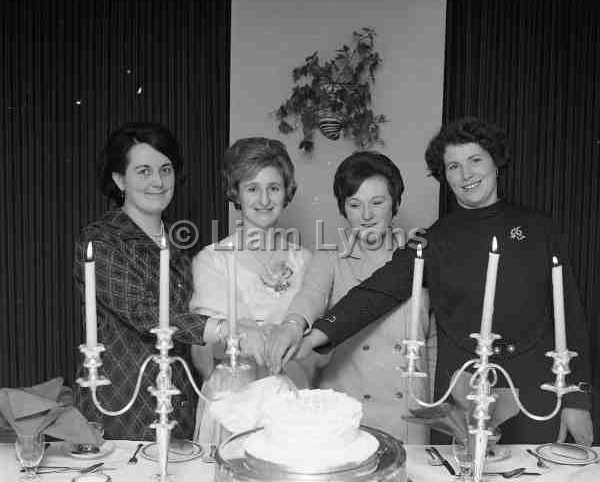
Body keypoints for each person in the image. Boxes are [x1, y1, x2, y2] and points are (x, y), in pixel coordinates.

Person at [268, 117, 593, 445]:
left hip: (535, 391)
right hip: (459, 393)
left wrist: (577, 398)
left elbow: (571, 318)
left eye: (475, 160)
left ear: (496, 161)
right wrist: (312, 335)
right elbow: (376, 292)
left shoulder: (539, 228)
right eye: (453, 166)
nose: (466, 175)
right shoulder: (433, 239)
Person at [267, 152, 432, 443]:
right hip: (345, 414)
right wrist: (292, 325)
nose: (366, 215)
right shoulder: (330, 259)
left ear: (395, 203)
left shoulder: (420, 258)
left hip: (408, 413)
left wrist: (432, 404)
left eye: (377, 203)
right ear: (343, 209)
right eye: (354, 205)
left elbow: (434, 343)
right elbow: (310, 296)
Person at [74, 122, 208, 441]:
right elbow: (143, 312)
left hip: (178, 401)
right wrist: (219, 329)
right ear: (120, 179)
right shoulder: (101, 240)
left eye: (166, 169)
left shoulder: (182, 242)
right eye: (144, 171)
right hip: (119, 402)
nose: (158, 182)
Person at [189, 137, 312, 443]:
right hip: (232, 399)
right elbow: (202, 350)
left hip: (290, 397)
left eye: (273, 188)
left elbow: (318, 348)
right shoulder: (212, 259)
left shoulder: (305, 260)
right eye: (252, 188)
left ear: (286, 193)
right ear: (237, 194)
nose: (264, 199)